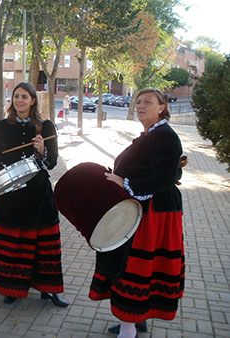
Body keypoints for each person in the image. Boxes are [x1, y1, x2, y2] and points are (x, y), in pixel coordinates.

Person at [89, 88, 185, 338]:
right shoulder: (150, 134)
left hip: (154, 213)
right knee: (135, 266)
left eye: (147, 102)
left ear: (161, 107)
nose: (140, 105)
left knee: (136, 266)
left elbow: (165, 178)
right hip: (144, 209)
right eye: (138, 101)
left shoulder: (164, 135)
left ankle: (129, 328)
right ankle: (134, 321)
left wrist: (126, 183)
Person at [0, 82, 68, 307]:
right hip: (9, 195)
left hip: (38, 194)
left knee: (44, 246)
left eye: (24, 97)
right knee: (13, 244)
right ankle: (10, 287)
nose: (19, 101)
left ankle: (49, 290)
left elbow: (52, 163)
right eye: (16, 97)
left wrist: (42, 150)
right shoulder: (0, 126)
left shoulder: (46, 127)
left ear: (33, 100)